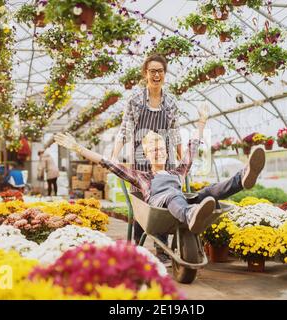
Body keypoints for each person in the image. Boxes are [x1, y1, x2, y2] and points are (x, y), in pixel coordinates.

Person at [54, 110, 266, 237]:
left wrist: (202, 123)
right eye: (152, 149)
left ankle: (243, 177)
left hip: (180, 203)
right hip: (160, 207)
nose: (158, 151)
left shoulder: (178, 171)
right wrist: (78, 148)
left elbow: (192, 146)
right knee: (174, 196)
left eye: (161, 148)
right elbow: (107, 162)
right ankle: (191, 215)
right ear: (146, 154)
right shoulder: (141, 176)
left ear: (166, 151)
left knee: (208, 192)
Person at [111, 54, 183, 260]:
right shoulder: (135, 100)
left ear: (165, 74)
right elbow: (125, 130)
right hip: (140, 160)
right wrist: (115, 155)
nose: (156, 75)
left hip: (163, 161)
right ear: (145, 74)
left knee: (161, 203)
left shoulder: (170, 102)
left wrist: (182, 160)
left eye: (160, 71)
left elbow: (175, 132)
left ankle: (162, 251)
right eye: (152, 71)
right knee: (141, 204)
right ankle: (138, 251)